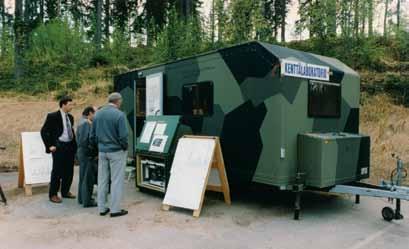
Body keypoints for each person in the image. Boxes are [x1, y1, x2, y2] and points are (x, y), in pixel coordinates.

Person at [90, 92, 128, 217]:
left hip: (102, 151)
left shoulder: (98, 114)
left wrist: (98, 147)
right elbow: (123, 136)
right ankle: (115, 209)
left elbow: (92, 136)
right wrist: (124, 147)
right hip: (116, 151)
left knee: (102, 180)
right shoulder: (120, 115)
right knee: (116, 180)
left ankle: (102, 208)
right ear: (118, 101)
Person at [40, 96, 77, 203]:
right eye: (70, 104)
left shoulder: (70, 117)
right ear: (63, 105)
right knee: (57, 171)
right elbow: (44, 131)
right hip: (59, 147)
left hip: (70, 146)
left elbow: (71, 131)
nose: (72, 106)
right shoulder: (53, 116)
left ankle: (65, 191)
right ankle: (53, 194)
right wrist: (49, 145)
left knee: (69, 170)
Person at [77, 106, 97, 208]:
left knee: (82, 176)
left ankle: (81, 198)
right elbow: (85, 140)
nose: (95, 116)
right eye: (95, 113)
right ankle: (87, 200)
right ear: (90, 113)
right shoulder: (85, 123)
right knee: (87, 178)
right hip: (86, 153)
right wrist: (91, 153)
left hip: (82, 152)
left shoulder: (81, 121)